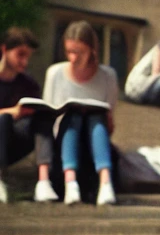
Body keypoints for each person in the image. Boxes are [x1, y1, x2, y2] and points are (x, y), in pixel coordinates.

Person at [40, 21, 120, 206]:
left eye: (79, 52)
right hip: (65, 135)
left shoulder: (107, 76)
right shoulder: (55, 73)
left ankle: (105, 183)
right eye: (69, 52)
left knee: (96, 115)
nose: (73, 58)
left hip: (95, 135)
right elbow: (48, 114)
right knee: (73, 114)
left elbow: (110, 117)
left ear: (92, 50)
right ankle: (70, 183)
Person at [0, 27, 52, 204]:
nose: (24, 61)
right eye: (20, 55)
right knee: (3, 119)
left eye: (28, 56)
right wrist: (11, 112)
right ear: (4, 49)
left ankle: (44, 182)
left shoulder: (28, 84)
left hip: (16, 140)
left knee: (43, 117)